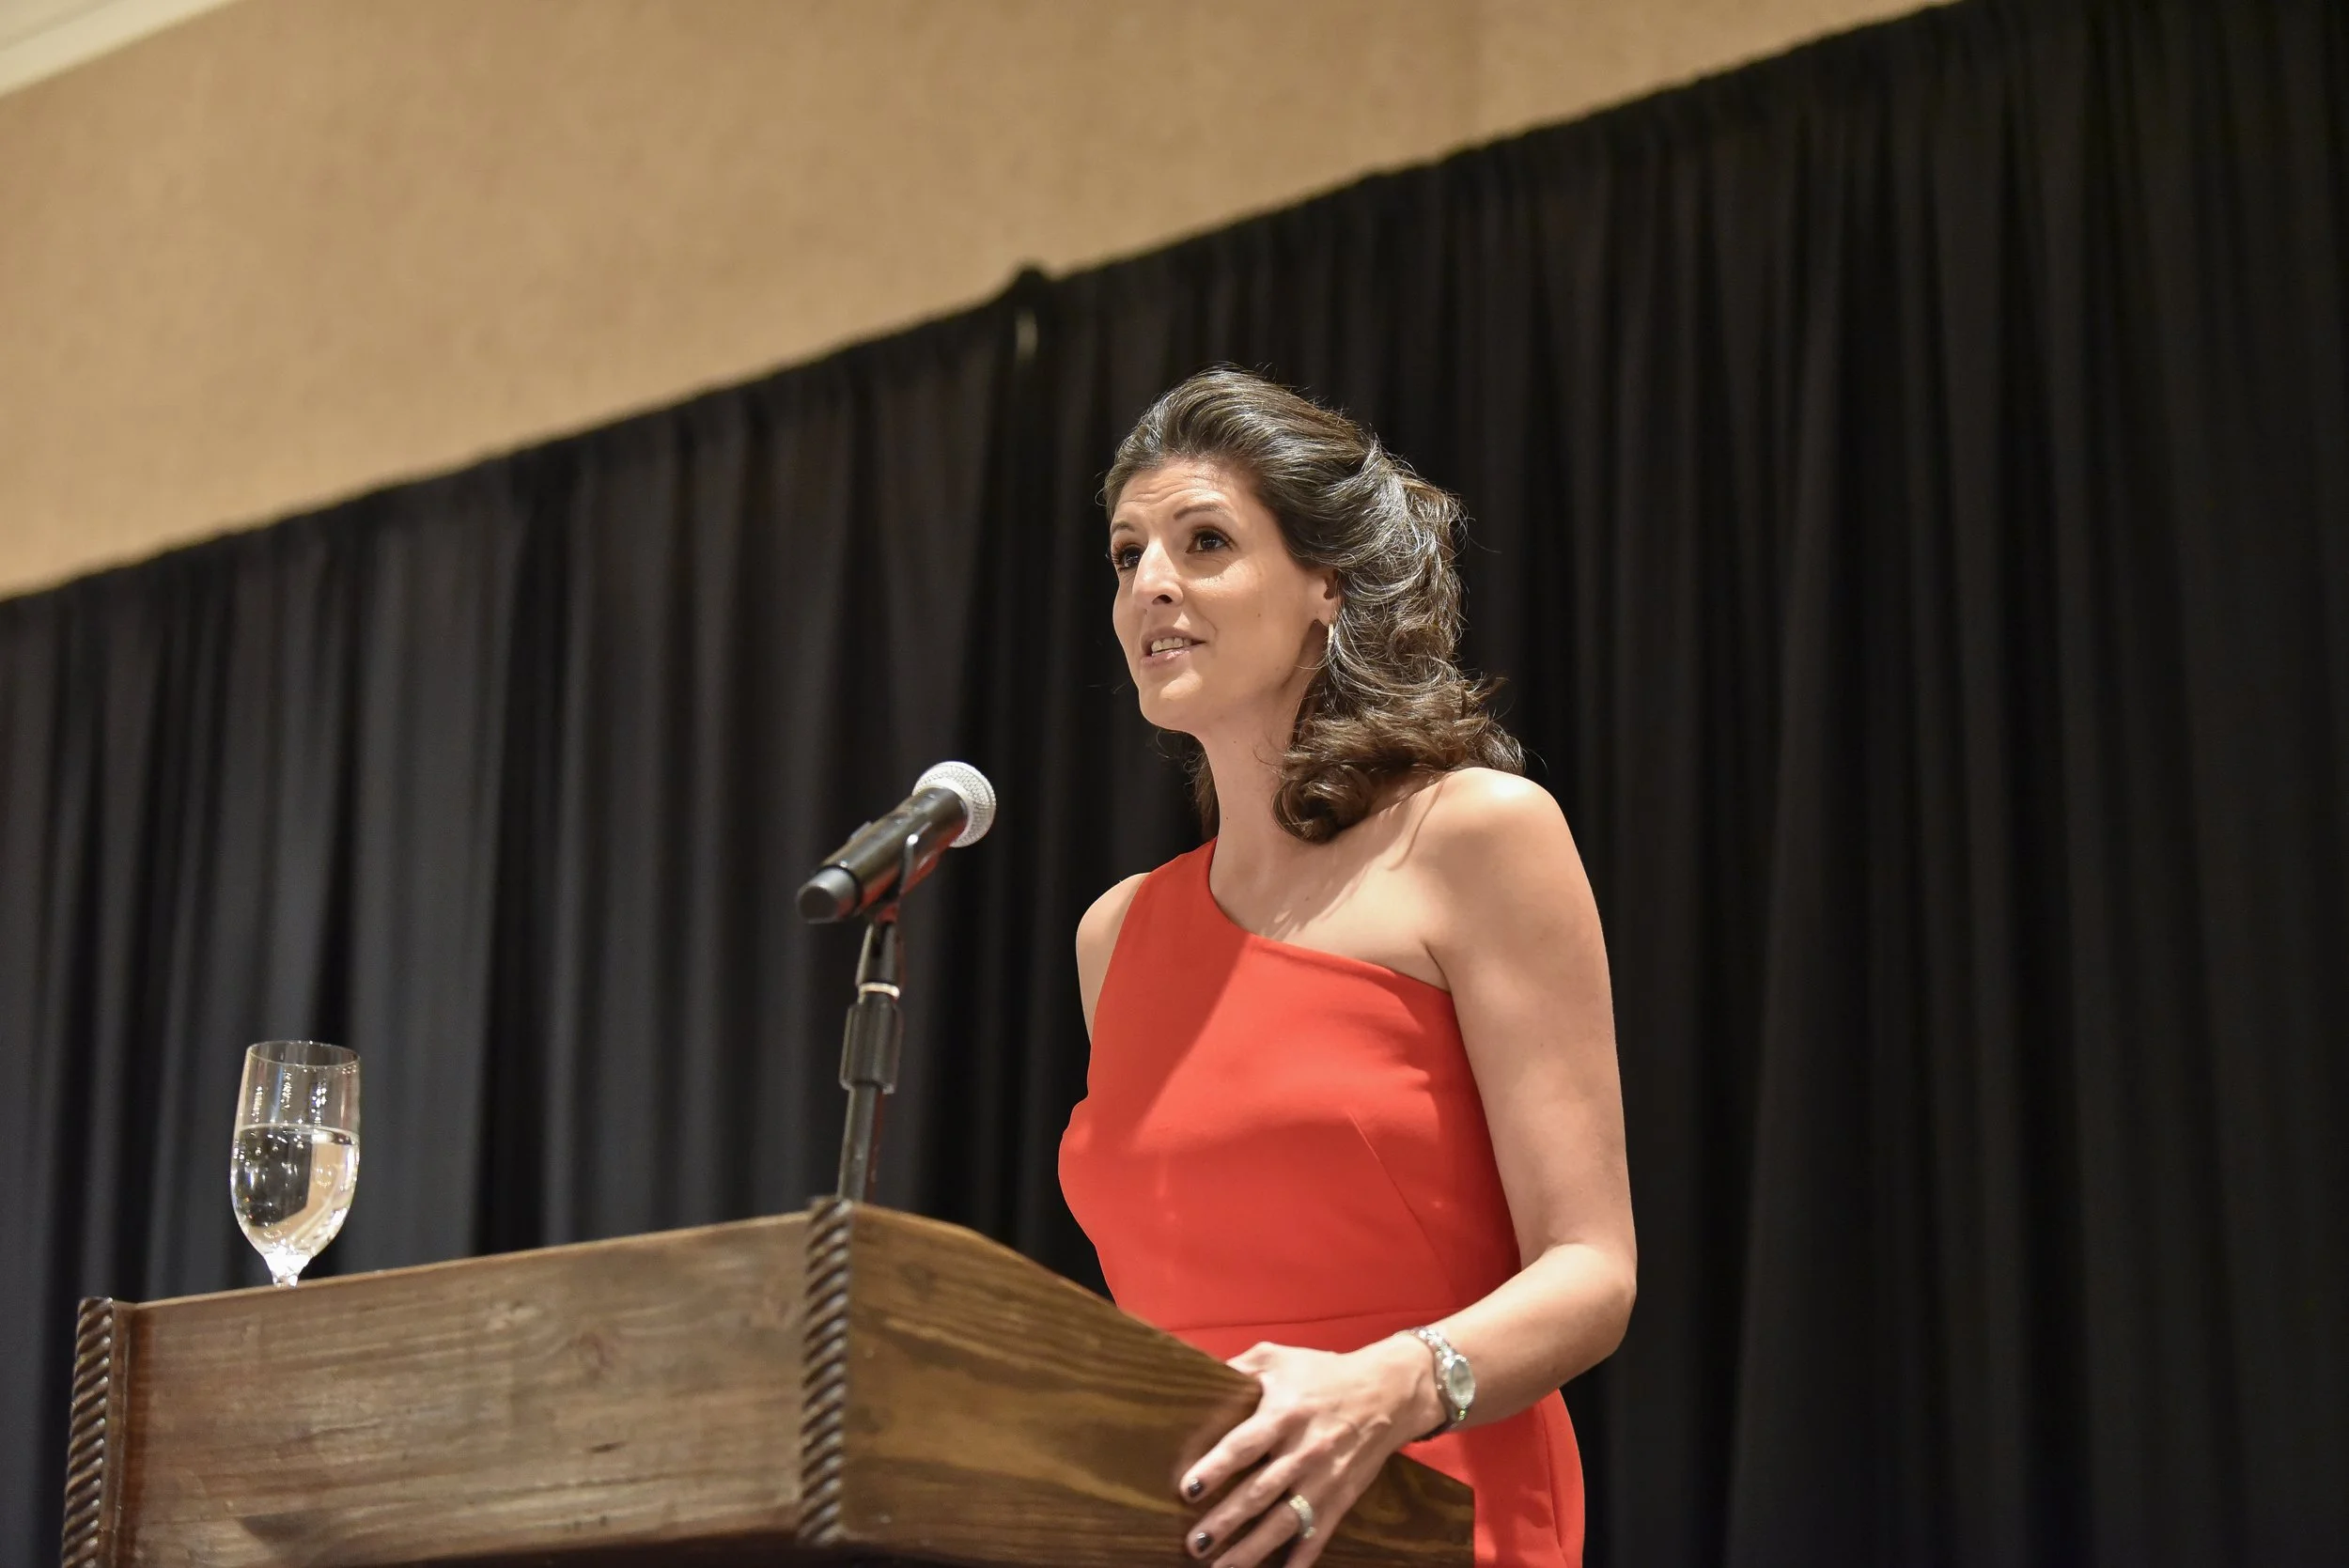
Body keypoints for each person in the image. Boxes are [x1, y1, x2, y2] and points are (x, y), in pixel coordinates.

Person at [1059, 367, 1637, 1568]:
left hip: (1433, 1509)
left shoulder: (1474, 836)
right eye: (1126, 555)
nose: (1150, 584)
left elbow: (1592, 1272)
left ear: (1327, 585)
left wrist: (1391, 1386)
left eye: (1203, 540)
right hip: (1183, 1529)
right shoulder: (1115, 936)